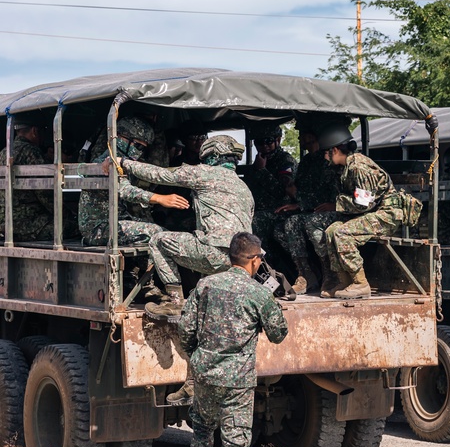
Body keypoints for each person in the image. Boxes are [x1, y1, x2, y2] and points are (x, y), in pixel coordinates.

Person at [177, 232, 288, 447]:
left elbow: (185, 328)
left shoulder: (205, 285)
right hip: (238, 380)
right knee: (234, 441)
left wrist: (196, 357)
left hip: (205, 374)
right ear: (253, 261)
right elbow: (278, 334)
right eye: (261, 258)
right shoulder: (258, 293)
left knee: (202, 431)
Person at [114, 135, 254, 318]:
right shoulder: (243, 187)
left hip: (215, 253)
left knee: (158, 240)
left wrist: (124, 162)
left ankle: (174, 302)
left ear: (211, 155)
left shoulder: (204, 173)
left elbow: (160, 175)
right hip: (242, 261)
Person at [319, 123, 421, 299]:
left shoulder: (360, 167)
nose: (324, 156)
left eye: (326, 151)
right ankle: (345, 281)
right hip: (375, 212)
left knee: (343, 234)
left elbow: (364, 203)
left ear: (335, 150)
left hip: (387, 214)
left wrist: (337, 204)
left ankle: (360, 283)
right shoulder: (348, 167)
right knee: (331, 231)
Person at [78, 115, 188, 247]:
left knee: (160, 229)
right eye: (137, 145)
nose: (138, 152)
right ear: (120, 137)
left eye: (143, 148)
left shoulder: (120, 162)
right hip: (98, 229)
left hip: (114, 222)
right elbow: (125, 191)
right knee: (157, 232)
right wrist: (159, 199)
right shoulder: (108, 162)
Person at [274, 122, 340, 294]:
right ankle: (306, 273)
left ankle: (329, 275)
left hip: (333, 209)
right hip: (311, 208)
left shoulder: (328, 160)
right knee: (285, 226)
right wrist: (294, 197)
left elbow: (326, 195)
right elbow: (301, 189)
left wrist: (299, 200)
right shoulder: (307, 161)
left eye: (304, 134)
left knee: (311, 223)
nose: (300, 137)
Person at [0, 113, 54, 241]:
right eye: (43, 131)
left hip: (4, 222)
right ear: (35, 131)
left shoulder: (3, 152)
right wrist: (63, 213)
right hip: (28, 223)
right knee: (73, 227)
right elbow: (44, 192)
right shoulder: (31, 151)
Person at [244, 123, 296, 255]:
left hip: (280, 210)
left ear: (277, 140)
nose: (264, 146)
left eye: (268, 141)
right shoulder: (258, 162)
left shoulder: (285, 161)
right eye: (260, 142)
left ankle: (266, 263)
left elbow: (281, 192)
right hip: (259, 208)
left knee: (256, 222)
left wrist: (262, 170)